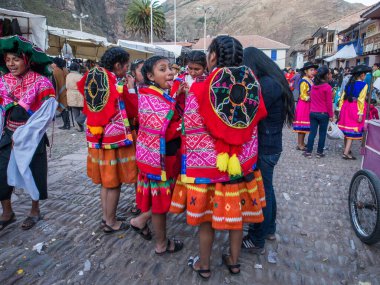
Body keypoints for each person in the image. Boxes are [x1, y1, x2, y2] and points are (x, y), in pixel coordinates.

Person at [169, 36, 267, 279]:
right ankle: (234, 261)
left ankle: (204, 265)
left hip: (210, 167)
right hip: (239, 165)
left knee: (206, 219)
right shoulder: (252, 86)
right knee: (237, 217)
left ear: (212, 57)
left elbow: (191, 125)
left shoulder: (201, 89)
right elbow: (253, 124)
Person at [77, 47, 138, 233]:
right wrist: (131, 89)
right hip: (113, 139)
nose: (126, 70)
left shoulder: (92, 76)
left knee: (105, 182)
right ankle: (111, 222)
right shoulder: (114, 82)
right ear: (117, 65)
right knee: (113, 182)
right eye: (125, 66)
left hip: (96, 137)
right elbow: (132, 109)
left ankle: (106, 217)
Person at [0, 35, 56, 230]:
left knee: (34, 172)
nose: (11, 64)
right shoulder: (2, 81)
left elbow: (45, 114)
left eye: (15, 59)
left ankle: (35, 210)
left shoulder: (41, 82)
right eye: (7, 60)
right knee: (1, 172)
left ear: (26, 60)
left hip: (33, 135)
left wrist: (25, 134)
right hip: (8, 134)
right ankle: (7, 212)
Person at [241, 47, 294, 252]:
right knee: (268, 189)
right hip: (271, 145)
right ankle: (269, 228)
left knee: (263, 192)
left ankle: (257, 238)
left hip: (266, 146)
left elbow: (253, 112)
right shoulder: (272, 81)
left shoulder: (267, 85)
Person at [135, 56, 184, 253]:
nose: (170, 73)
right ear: (150, 76)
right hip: (158, 162)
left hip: (165, 158)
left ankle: (140, 221)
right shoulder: (150, 96)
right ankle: (161, 244)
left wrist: (177, 95)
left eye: (170, 68)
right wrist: (185, 124)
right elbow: (164, 129)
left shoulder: (160, 94)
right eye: (162, 69)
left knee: (160, 203)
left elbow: (173, 114)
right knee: (160, 207)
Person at [338, 65, 372, 160]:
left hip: (346, 106)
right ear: (361, 75)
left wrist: (340, 109)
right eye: (364, 75)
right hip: (355, 107)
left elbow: (342, 97)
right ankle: (346, 153)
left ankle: (346, 149)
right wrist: (360, 113)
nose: (365, 76)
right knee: (352, 131)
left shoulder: (349, 83)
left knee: (347, 129)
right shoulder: (364, 85)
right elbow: (361, 100)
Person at [303, 66, 334, 158]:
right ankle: (319, 153)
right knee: (322, 134)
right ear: (325, 75)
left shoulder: (313, 86)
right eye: (328, 73)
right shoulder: (327, 87)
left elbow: (312, 99)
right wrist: (331, 115)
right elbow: (329, 103)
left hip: (313, 113)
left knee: (312, 133)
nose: (329, 75)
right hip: (323, 114)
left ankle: (308, 152)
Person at [293, 62, 318, 150]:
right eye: (311, 70)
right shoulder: (304, 81)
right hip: (304, 105)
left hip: (307, 105)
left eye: (313, 70)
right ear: (306, 71)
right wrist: (311, 97)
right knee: (302, 126)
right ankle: (300, 144)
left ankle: (302, 142)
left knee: (305, 126)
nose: (313, 71)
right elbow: (303, 96)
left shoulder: (310, 80)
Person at [52, 57, 69, 130]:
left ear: (55, 64)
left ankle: (66, 124)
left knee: (63, 107)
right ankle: (67, 124)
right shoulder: (65, 70)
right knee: (65, 108)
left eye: (53, 63)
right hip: (66, 91)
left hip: (59, 91)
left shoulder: (55, 71)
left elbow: (54, 83)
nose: (52, 64)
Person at [66, 62, 84, 132]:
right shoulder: (80, 76)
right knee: (85, 111)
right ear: (77, 68)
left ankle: (80, 127)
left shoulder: (68, 76)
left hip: (70, 95)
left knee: (75, 111)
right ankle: (80, 120)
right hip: (79, 94)